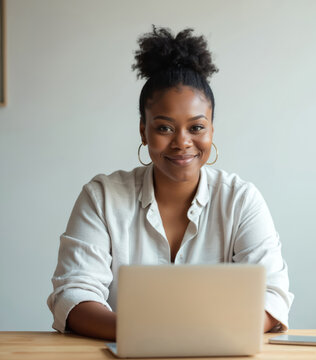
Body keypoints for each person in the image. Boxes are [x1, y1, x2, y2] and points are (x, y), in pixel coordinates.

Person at [46, 26, 293, 340]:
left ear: (212, 130)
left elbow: (273, 296)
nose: (182, 142)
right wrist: (153, 334)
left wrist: (195, 335)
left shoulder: (240, 200)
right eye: (164, 128)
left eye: (196, 127)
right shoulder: (102, 197)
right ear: (143, 130)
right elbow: (74, 295)